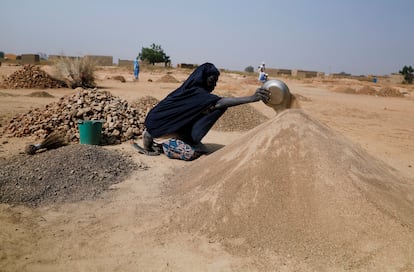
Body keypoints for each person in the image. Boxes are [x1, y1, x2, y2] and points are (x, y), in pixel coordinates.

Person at [142, 62, 270, 160]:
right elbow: (219, 103)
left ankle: (174, 139)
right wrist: (252, 98)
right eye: (212, 81)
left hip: (153, 127)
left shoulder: (188, 90)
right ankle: (170, 143)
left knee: (210, 108)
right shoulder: (196, 93)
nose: (214, 85)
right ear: (203, 78)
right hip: (158, 132)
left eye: (216, 82)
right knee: (193, 152)